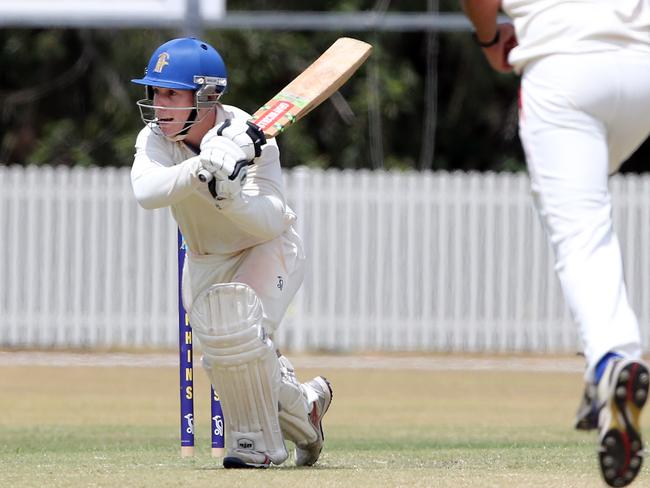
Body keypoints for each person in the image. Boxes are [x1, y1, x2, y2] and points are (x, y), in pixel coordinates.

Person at [460, 1, 650, 486]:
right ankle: (599, 378)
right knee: (589, 201)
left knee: (581, 230)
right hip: (642, 70)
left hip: (564, 67)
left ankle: (612, 358)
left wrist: (488, 40)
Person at [130, 37, 332, 469]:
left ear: (206, 96)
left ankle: (257, 445)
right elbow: (146, 192)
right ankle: (308, 409)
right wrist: (202, 166)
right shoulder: (155, 139)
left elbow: (270, 219)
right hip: (205, 260)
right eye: (156, 92)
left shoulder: (254, 138)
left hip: (266, 248)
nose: (159, 104)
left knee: (238, 331)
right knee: (230, 355)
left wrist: (230, 196)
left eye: (171, 93)